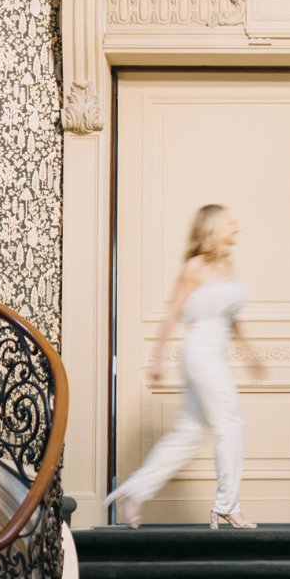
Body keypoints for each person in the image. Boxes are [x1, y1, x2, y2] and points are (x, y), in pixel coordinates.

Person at [106, 204, 264, 529]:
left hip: (213, 355)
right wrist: (158, 357)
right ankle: (226, 505)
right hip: (200, 353)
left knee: (189, 433)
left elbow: (231, 317)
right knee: (231, 423)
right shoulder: (194, 268)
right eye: (230, 223)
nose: (236, 228)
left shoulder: (227, 265)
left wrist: (249, 353)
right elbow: (172, 314)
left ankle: (135, 492)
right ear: (213, 228)